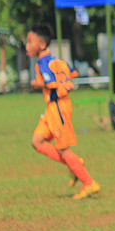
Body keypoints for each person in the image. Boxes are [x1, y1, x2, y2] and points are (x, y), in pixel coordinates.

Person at [25, 23, 100, 200]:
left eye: (29, 42)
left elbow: (49, 82)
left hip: (58, 107)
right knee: (37, 141)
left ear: (42, 44)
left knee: (63, 149)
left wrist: (36, 83)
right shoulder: (54, 60)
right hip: (53, 107)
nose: (27, 46)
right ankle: (74, 164)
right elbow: (71, 71)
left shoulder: (44, 63)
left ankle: (89, 183)